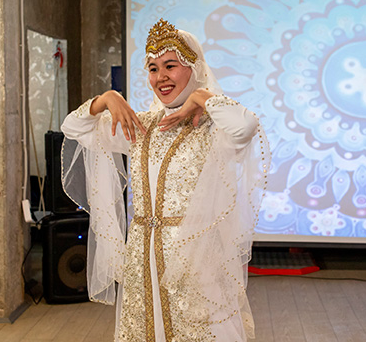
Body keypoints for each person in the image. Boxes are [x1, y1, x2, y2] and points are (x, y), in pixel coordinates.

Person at [61, 19, 270, 341]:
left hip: (194, 256)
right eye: (153, 68)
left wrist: (201, 97)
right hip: (142, 254)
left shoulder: (210, 125)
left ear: (194, 69)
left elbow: (246, 126)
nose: (161, 77)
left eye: (171, 66)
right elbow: (73, 128)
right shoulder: (140, 125)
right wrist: (106, 99)